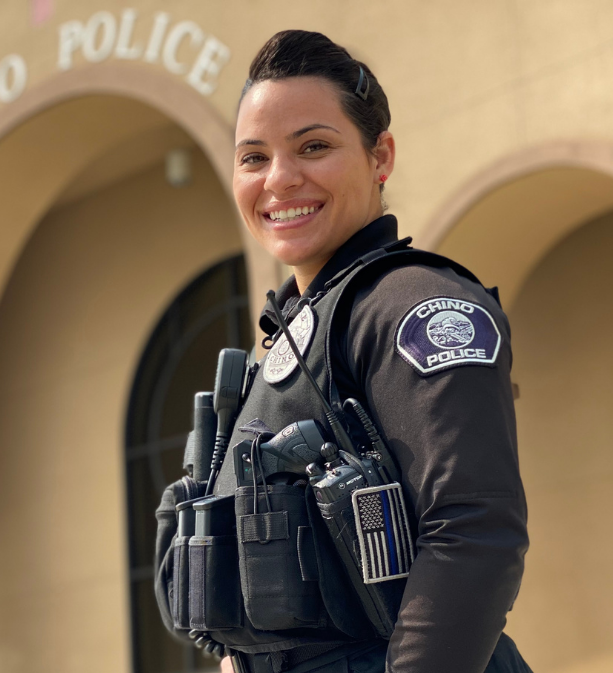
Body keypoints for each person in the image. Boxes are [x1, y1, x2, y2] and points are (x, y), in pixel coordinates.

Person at [159, 30, 533, 673]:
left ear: (379, 156)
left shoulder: (414, 303)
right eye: (253, 158)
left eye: (314, 146)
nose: (279, 179)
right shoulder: (293, 333)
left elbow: (474, 531)